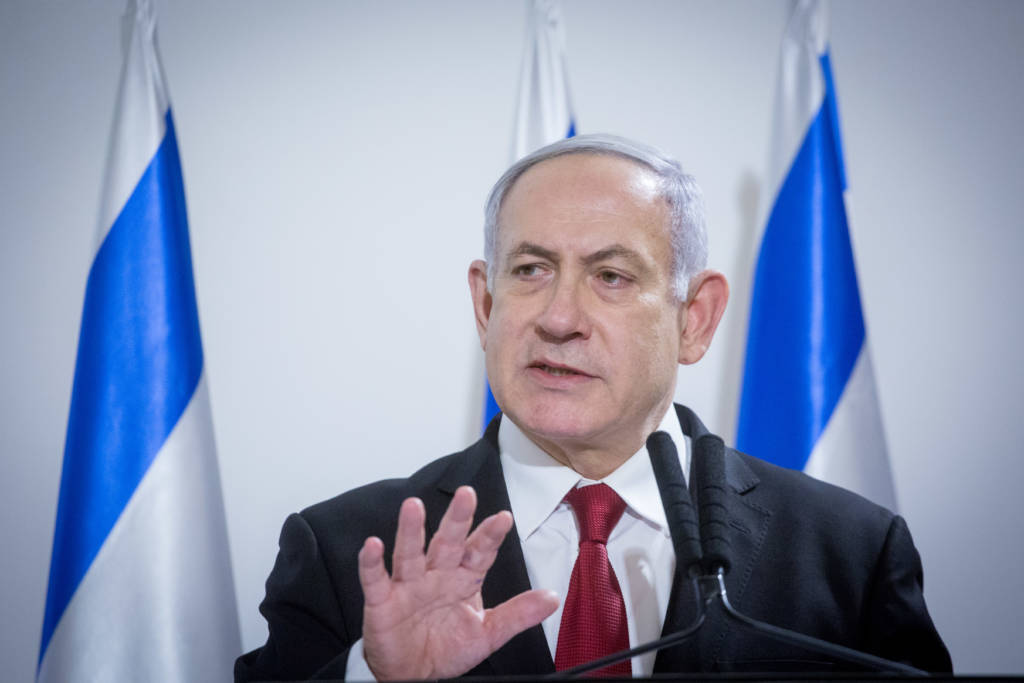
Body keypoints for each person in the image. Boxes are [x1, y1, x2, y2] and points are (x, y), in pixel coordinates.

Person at [235, 135, 951, 681]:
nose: (558, 317)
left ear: (695, 319)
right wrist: (372, 677)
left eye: (610, 276)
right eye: (531, 269)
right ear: (486, 305)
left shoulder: (850, 552)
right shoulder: (345, 550)